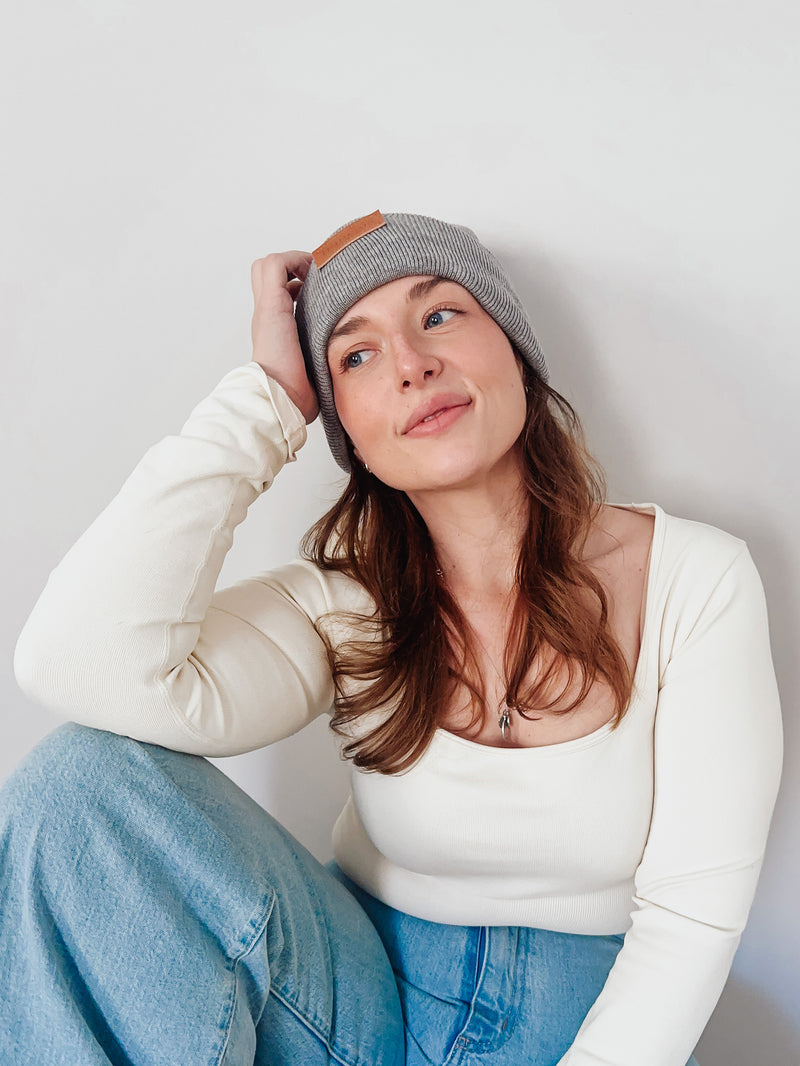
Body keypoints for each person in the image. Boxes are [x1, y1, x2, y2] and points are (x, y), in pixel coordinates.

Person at [1, 211, 783, 1066]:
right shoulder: (345, 603)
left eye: (440, 314)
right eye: (356, 356)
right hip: (351, 1000)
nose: (413, 366)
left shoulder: (695, 580)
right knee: (80, 780)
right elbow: (74, 661)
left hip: (582, 1025)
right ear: (346, 429)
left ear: (513, 349)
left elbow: (691, 919)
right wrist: (266, 398)